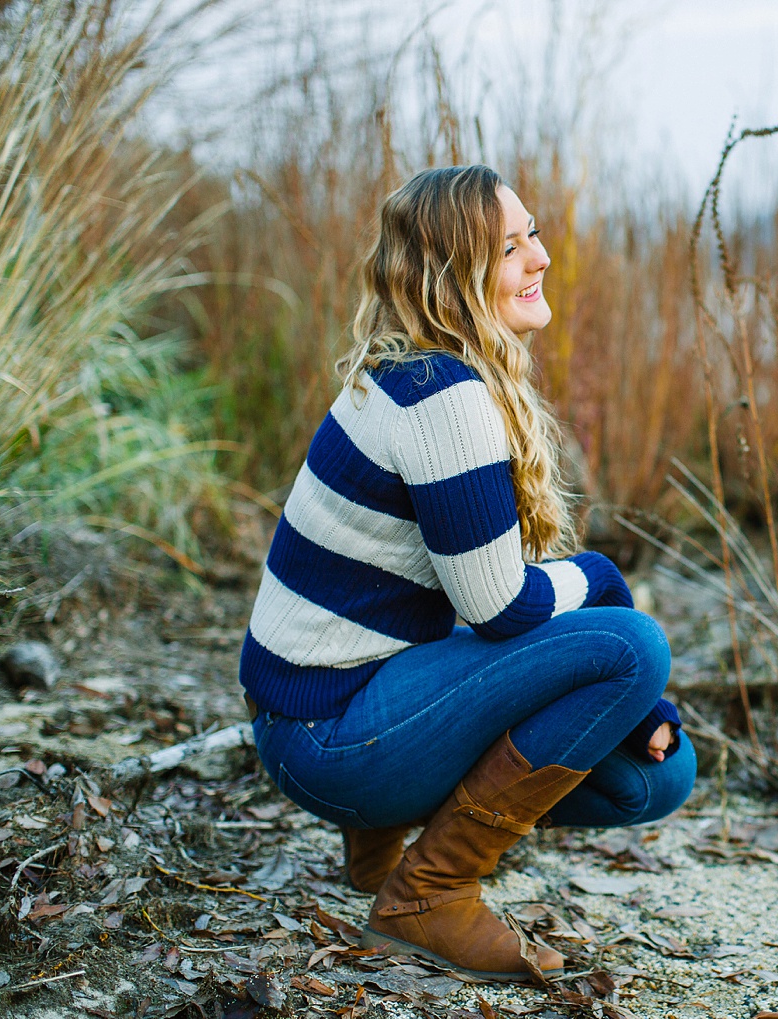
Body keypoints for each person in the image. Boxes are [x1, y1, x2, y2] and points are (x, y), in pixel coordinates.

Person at [237, 164, 695, 983]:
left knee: (651, 782)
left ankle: (381, 844)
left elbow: (471, 591)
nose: (539, 258)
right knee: (631, 648)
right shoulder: (440, 396)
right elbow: (501, 606)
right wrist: (602, 582)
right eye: (509, 247)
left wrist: (629, 696)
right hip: (329, 736)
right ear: (452, 276)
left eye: (533, 235)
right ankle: (431, 890)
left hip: (331, 715)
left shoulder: (413, 369)